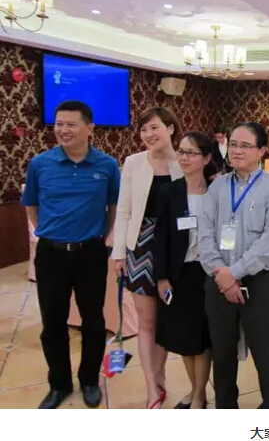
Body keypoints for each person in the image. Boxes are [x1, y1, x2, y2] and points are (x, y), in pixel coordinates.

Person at [21, 101, 120, 409]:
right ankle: (59, 384)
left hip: (90, 253)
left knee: (93, 321)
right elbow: (31, 205)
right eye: (59, 124)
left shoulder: (107, 165)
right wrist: (48, 231)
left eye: (71, 124)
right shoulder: (40, 163)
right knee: (53, 323)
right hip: (51, 254)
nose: (63, 130)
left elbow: (114, 207)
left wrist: (103, 236)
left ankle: (89, 380)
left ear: (89, 128)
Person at [200, 122, 269, 408]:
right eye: (233, 145)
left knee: (267, 354)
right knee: (222, 353)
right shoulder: (217, 187)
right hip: (218, 281)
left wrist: (235, 273)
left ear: (262, 151)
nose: (236, 151)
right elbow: (205, 234)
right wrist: (222, 275)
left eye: (245, 146)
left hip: (259, 281)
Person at [112, 107, 183, 409]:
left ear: (171, 129)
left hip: (177, 249)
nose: (148, 135)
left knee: (167, 320)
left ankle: (161, 374)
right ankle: (152, 387)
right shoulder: (133, 163)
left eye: (154, 127)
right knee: (147, 322)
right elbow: (123, 211)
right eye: (143, 130)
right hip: (141, 248)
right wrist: (118, 253)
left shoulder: (186, 160)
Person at [153, 132, 213, 409]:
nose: (184, 158)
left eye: (191, 153)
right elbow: (161, 238)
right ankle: (195, 390)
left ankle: (199, 395)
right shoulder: (169, 191)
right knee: (184, 338)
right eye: (181, 152)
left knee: (203, 337)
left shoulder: (216, 191)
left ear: (206, 158)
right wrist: (161, 277)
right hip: (180, 275)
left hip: (209, 274)